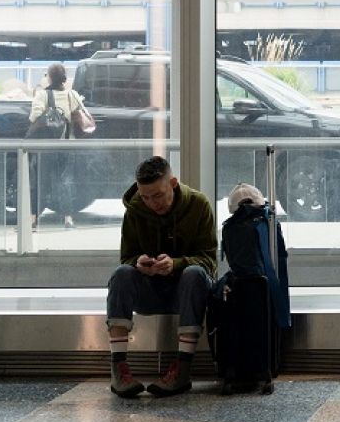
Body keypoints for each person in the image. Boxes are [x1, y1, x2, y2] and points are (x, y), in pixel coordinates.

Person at [107, 155, 217, 398]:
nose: (151, 203)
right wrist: (139, 263)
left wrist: (176, 264)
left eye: (157, 195)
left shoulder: (199, 205)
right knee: (121, 275)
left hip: (188, 293)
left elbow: (210, 261)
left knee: (194, 274)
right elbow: (126, 258)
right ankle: (118, 369)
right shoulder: (135, 211)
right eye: (145, 197)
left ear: (174, 183)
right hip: (150, 289)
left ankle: (183, 368)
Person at [27, 62, 86, 228]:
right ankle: (68, 219)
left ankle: (33, 219)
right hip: (66, 146)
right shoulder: (71, 94)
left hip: (46, 147)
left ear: (49, 77)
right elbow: (80, 113)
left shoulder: (42, 95)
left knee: (39, 182)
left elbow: (34, 117)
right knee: (65, 181)